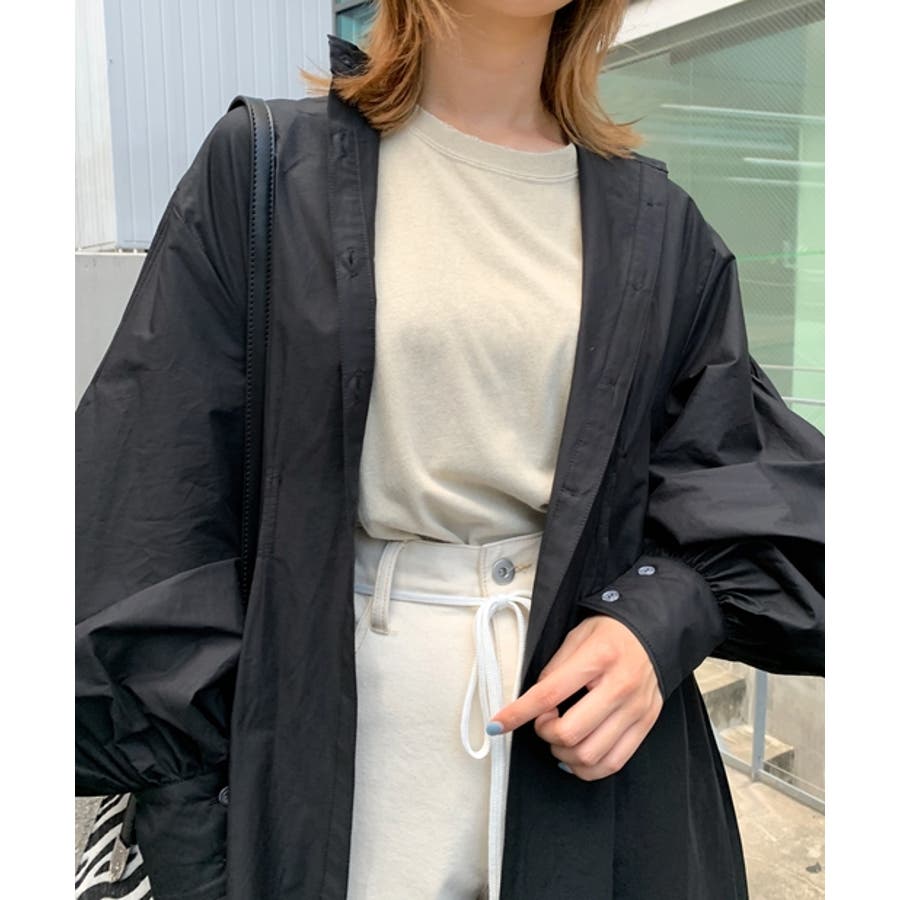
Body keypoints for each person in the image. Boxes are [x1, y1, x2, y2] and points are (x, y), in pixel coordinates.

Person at [75, 2, 825, 899]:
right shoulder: (270, 168)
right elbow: (159, 506)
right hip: (337, 746)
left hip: (597, 767)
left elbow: (737, 481)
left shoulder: (661, 226)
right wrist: (191, 832)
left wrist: (653, 622)